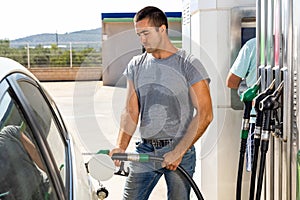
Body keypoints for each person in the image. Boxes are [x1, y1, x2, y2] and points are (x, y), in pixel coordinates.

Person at [109, 6, 213, 200]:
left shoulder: (188, 64)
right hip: (145, 150)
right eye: (139, 34)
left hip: (179, 149)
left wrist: (179, 151)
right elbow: (131, 111)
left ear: (162, 29)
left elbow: (205, 113)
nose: (142, 39)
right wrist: (120, 147)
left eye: (146, 33)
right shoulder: (136, 64)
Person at [226, 37, 257, 171]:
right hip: (290, 122)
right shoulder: (293, 44)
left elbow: (231, 81)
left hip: (257, 119)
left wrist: (249, 88)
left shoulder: (253, 45)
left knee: (257, 173)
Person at [0, 125, 48, 199]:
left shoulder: (9, 132)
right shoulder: (9, 132)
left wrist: (54, 174)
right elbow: (36, 154)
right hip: (42, 188)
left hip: (43, 189)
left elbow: (35, 154)